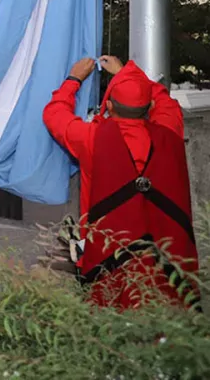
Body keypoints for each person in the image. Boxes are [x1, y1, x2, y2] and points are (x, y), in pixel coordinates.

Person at [43, 56, 198, 309]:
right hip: (164, 257)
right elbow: (164, 100)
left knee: (111, 317)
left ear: (110, 107)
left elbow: (54, 114)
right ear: (148, 106)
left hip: (108, 256)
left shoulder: (92, 138)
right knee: (164, 317)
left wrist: (73, 80)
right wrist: (127, 74)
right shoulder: (169, 130)